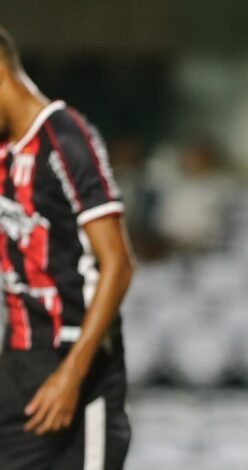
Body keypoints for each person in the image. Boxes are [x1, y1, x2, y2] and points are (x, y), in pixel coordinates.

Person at [0, 26, 134, 470]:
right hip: (19, 360)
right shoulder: (5, 150)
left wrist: (71, 377)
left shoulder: (66, 137)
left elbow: (118, 263)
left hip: (78, 362)